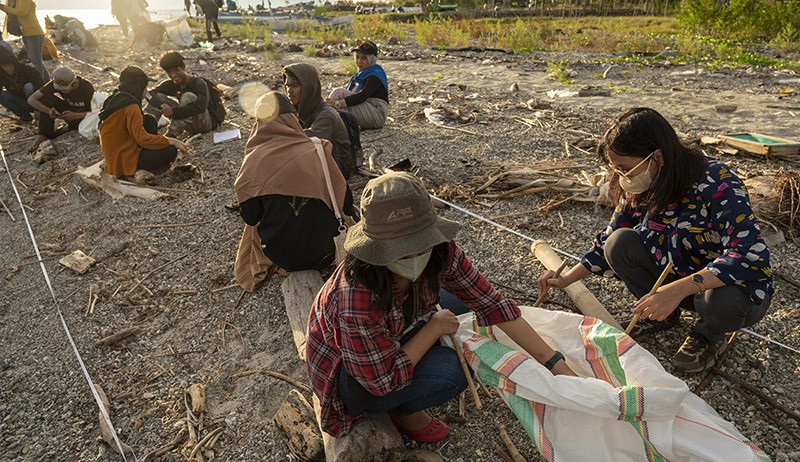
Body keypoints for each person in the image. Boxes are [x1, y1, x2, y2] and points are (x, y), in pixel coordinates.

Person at [307, 171, 575, 440]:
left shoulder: (441, 249)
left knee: (463, 302)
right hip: (356, 379)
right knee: (454, 372)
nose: (413, 258)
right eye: (401, 252)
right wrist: (433, 329)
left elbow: (492, 304)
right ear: (376, 250)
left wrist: (554, 364)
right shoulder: (356, 296)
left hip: (390, 335)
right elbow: (381, 381)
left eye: (420, 247)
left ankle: (413, 367)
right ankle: (401, 410)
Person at [537, 107, 773, 374]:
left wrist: (676, 290)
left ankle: (708, 335)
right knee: (619, 243)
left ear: (657, 157)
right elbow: (610, 239)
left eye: (624, 167)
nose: (620, 176)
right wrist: (567, 278)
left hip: (719, 290)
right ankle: (664, 314)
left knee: (725, 301)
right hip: (673, 280)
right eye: (615, 168)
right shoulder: (641, 183)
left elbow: (749, 256)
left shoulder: (717, 183)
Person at [233, 91, 356, 286]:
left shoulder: (253, 162)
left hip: (281, 255)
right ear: (293, 119)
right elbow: (347, 205)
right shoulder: (318, 150)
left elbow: (250, 217)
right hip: (327, 251)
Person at [98, 66, 186, 177]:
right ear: (138, 87)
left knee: (149, 120)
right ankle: (137, 168)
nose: (146, 90)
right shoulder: (131, 106)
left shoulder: (116, 98)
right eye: (145, 87)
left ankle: (147, 153)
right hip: (124, 160)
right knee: (170, 150)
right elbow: (142, 138)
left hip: (114, 154)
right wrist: (171, 141)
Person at [283, 63, 353, 179]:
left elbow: (307, 140)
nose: (289, 91)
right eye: (287, 86)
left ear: (308, 87)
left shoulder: (326, 114)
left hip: (338, 166)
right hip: (318, 159)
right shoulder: (300, 109)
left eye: (294, 86)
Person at [146, 52, 223, 138]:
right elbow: (149, 94)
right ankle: (145, 130)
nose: (173, 75)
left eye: (176, 70)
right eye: (169, 72)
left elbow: (201, 106)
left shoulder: (198, 83)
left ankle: (171, 135)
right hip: (189, 124)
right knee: (159, 97)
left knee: (188, 96)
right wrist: (161, 105)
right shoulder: (170, 84)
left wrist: (174, 111)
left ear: (183, 67)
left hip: (205, 124)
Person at [27, 66, 95, 151]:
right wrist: (48, 111)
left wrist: (75, 115)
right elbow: (31, 99)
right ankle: (43, 134)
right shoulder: (55, 83)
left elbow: (95, 112)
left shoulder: (86, 87)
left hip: (83, 114)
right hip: (68, 109)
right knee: (46, 98)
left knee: (85, 123)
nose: (62, 92)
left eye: (64, 90)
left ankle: (65, 129)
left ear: (74, 83)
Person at [326, 39, 389, 130]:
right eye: (357, 57)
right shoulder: (360, 75)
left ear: (371, 59)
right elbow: (351, 96)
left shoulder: (375, 74)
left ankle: (322, 116)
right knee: (337, 111)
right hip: (366, 110)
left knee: (339, 93)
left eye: (363, 58)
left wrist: (337, 103)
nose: (359, 61)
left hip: (376, 113)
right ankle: (323, 120)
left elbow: (361, 96)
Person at [0, 0, 50, 81]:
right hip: (26, 33)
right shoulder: (16, 1)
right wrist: (4, 8)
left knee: (35, 59)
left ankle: (40, 81)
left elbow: (22, 12)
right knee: (35, 59)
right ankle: (46, 80)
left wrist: (5, 7)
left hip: (34, 33)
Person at [0, 46, 43, 121]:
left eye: (10, 65)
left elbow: (41, 86)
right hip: (22, 103)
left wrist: (37, 109)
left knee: (28, 86)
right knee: (1, 95)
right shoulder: (2, 75)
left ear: (14, 63)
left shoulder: (26, 69)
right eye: (4, 66)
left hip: (38, 102)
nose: (8, 69)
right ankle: (25, 116)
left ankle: (40, 113)